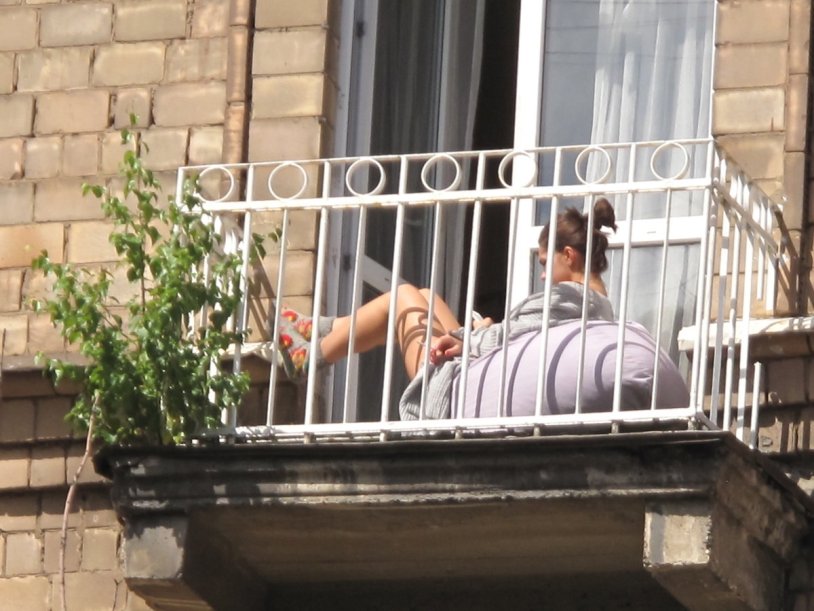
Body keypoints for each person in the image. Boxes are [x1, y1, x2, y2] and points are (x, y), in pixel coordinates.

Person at [276, 198, 617, 419]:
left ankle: (310, 356)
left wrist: (476, 336)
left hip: (458, 391)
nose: (542, 275)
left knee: (403, 297)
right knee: (427, 297)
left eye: (544, 263)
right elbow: (525, 337)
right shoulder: (596, 305)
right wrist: (482, 331)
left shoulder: (567, 298)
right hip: (479, 374)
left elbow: (513, 337)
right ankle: (320, 329)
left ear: (568, 256)